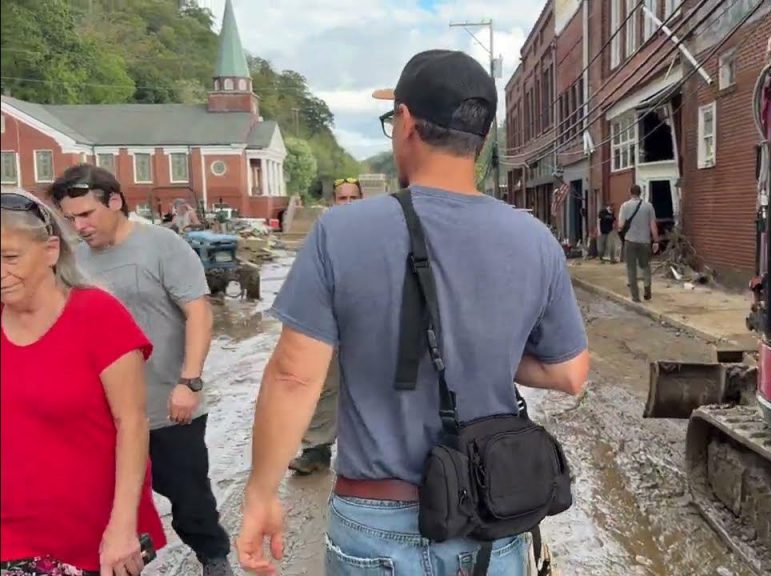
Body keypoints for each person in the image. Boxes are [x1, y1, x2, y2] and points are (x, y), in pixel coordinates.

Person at [236, 49, 590, 575]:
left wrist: (261, 494)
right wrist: (483, 348)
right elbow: (570, 374)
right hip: (491, 520)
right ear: (483, 139)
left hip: (375, 521)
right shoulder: (536, 240)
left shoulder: (341, 231)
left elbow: (293, 377)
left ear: (405, 122)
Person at [49, 165, 234, 576]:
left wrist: (189, 381)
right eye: (70, 218)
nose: (78, 226)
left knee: (189, 499)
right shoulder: (73, 261)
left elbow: (198, 312)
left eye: (86, 215)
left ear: (114, 201)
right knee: (105, 504)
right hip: (103, 417)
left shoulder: (162, 245)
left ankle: (213, 558)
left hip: (167, 406)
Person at [0, 189, 167, 575]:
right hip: (10, 533)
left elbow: (133, 424)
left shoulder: (99, 317)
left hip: (90, 536)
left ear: (51, 250)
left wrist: (123, 527)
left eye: (10, 257)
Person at [287, 177, 365, 475]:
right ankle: (316, 450)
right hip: (327, 324)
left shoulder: (376, 234)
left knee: (368, 388)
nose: (346, 204)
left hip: (365, 325)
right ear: (334, 201)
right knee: (323, 386)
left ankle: (366, 452)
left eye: (352, 198)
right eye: (341, 198)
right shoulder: (321, 235)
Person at [618, 184, 660, 302]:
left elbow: (620, 225)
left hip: (630, 241)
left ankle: (635, 297)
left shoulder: (624, 206)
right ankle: (647, 289)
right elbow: (653, 225)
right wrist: (656, 241)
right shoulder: (648, 206)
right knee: (645, 266)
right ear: (640, 192)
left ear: (630, 192)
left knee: (631, 269)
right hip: (645, 242)